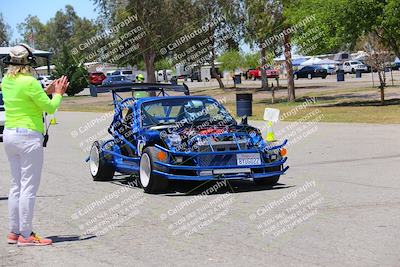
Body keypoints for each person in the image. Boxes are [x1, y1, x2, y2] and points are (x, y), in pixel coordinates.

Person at [1, 44, 69, 246]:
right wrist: (58, 93)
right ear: (29, 61)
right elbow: (49, 107)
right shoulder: (30, 82)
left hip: (10, 134)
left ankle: (14, 232)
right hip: (28, 137)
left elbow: (29, 100)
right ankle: (26, 235)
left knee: (16, 185)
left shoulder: (6, 80)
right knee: (28, 187)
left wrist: (45, 90)